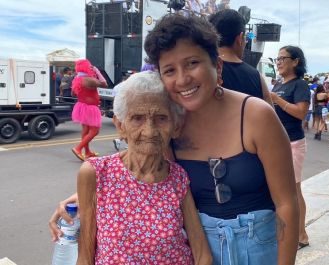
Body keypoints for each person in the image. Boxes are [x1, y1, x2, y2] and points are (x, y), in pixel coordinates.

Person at [50, 14, 299, 265]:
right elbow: (145, 172)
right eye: (170, 70)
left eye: (192, 63)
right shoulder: (169, 123)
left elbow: (287, 203)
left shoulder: (256, 116)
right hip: (201, 253)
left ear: (218, 66)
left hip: (259, 251)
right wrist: (83, 196)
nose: (182, 79)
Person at [76, 71, 212, 264]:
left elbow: (201, 254)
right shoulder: (96, 173)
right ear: (120, 125)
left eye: (161, 118)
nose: (149, 131)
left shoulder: (177, 177)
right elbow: (85, 256)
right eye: (137, 118)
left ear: (176, 127)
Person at [270, 45, 310, 250]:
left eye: (282, 58)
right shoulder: (277, 84)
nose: (278, 62)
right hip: (278, 144)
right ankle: (286, 232)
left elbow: (301, 113)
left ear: (295, 61)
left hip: (294, 143)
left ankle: (301, 234)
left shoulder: (299, 85)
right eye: (277, 59)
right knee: (279, 191)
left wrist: (277, 100)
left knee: (294, 190)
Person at [208, 9, 272, 105]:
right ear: (240, 38)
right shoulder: (257, 77)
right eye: (245, 38)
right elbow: (270, 116)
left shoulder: (202, 71)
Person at [71, 59, 107, 161]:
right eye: (89, 66)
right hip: (91, 108)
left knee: (85, 130)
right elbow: (104, 84)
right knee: (95, 131)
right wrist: (97, 71)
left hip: (81, 106)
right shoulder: (88, 79)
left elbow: (73, 93)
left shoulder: (76, 79)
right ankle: (78, 148)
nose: (91, 67)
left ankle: (87, 152)